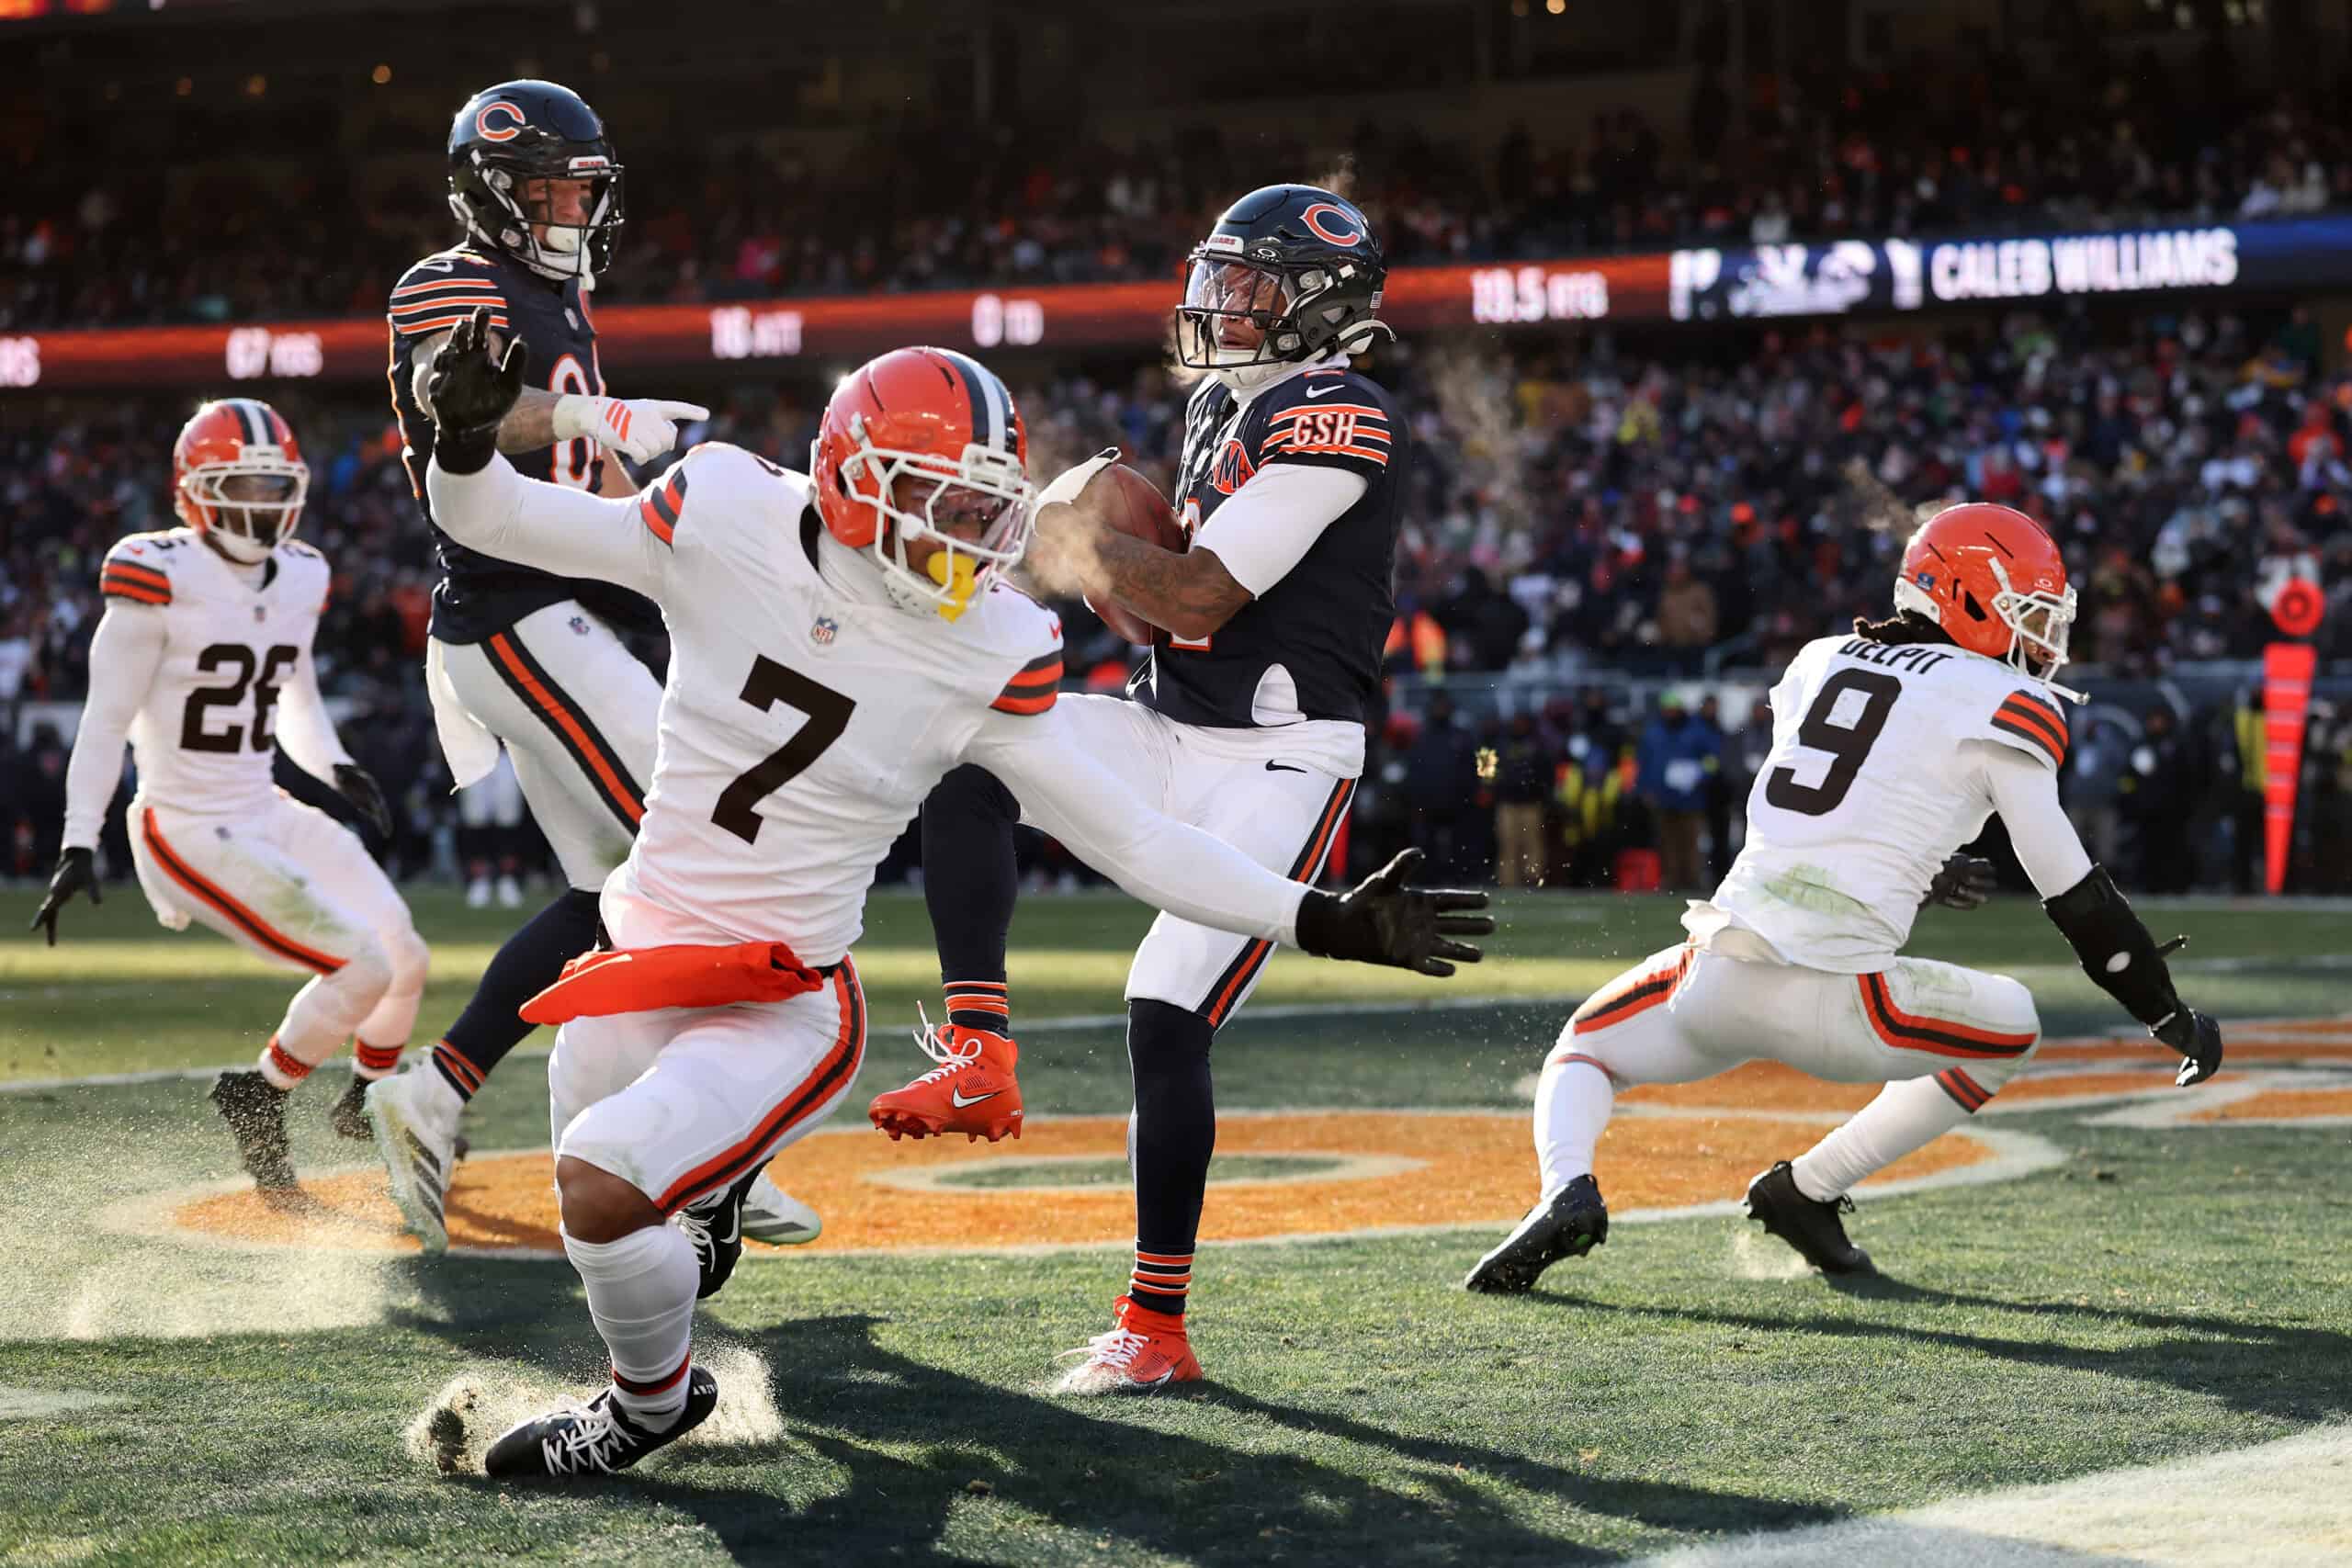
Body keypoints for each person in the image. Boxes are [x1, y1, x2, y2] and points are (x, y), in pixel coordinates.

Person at [418, 313, 1487, 1475]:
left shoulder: (991, 642)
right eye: (942, 500)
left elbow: (1133, 841)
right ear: (849, 480)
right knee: (608, 1220)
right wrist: (462, 442)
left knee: (603, 1181)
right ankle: (681, 1312)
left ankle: (639, 1412)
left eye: (987, 505)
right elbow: (493, 519)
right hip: (636, 958)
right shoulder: (722, 511)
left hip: (785, 994)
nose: (972, 534)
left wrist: (1314, 915)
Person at [870, 186, 1414, 1393]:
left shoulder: (1344, 413)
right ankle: (979, 1046)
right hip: (1167, 723)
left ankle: (1155, 1327)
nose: (1222, 300)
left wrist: (1057, 533)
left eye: (1252, 282)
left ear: (1323, 304)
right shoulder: (1226, 398)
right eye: (1222, 275)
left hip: (1280, 757)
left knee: (1165, 1010)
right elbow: (1154, 595)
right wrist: (1078, 540)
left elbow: (1203, 593)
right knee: (971, 752)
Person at [1466, 502, 2225, 1292]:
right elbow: (2071, 888)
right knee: (2014, 1026)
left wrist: (1919, 871)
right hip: (1846, 1001)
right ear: (1965, 598)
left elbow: (1833, 812)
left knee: (1582, 1048)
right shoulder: (2002, 700)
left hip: (1716, 974)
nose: (2039, 642)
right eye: (2025, 616)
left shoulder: (1819, 659)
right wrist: (2162, 1008)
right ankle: (1809, 1187)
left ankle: (1566, 1186)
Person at [362, 80, 815, 1256]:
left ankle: (435, 1090)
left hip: (554, 609)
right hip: (514, 611)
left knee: (600, 894)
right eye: (559, 190)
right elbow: (457, 406)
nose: (581, 209)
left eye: (586, 188)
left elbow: (586, 468)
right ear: (495, 193)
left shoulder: (561, 294)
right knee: (703, 862)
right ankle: (723, 1151)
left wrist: (667, 533)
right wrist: (590, 421)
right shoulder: (449, 280)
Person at [28, 400, 427, 1195]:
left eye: (273, 485)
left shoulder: (304, 573)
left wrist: (336, 767)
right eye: (242, 484)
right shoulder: (157, 572)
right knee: (362, 965)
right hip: (184, 823)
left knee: (405, 956)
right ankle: (258, 1095)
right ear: (196, 490)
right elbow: (104, 721)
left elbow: (296, 695)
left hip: (262, 803)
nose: (261, 503)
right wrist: (78, 839)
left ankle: (364, 1101)